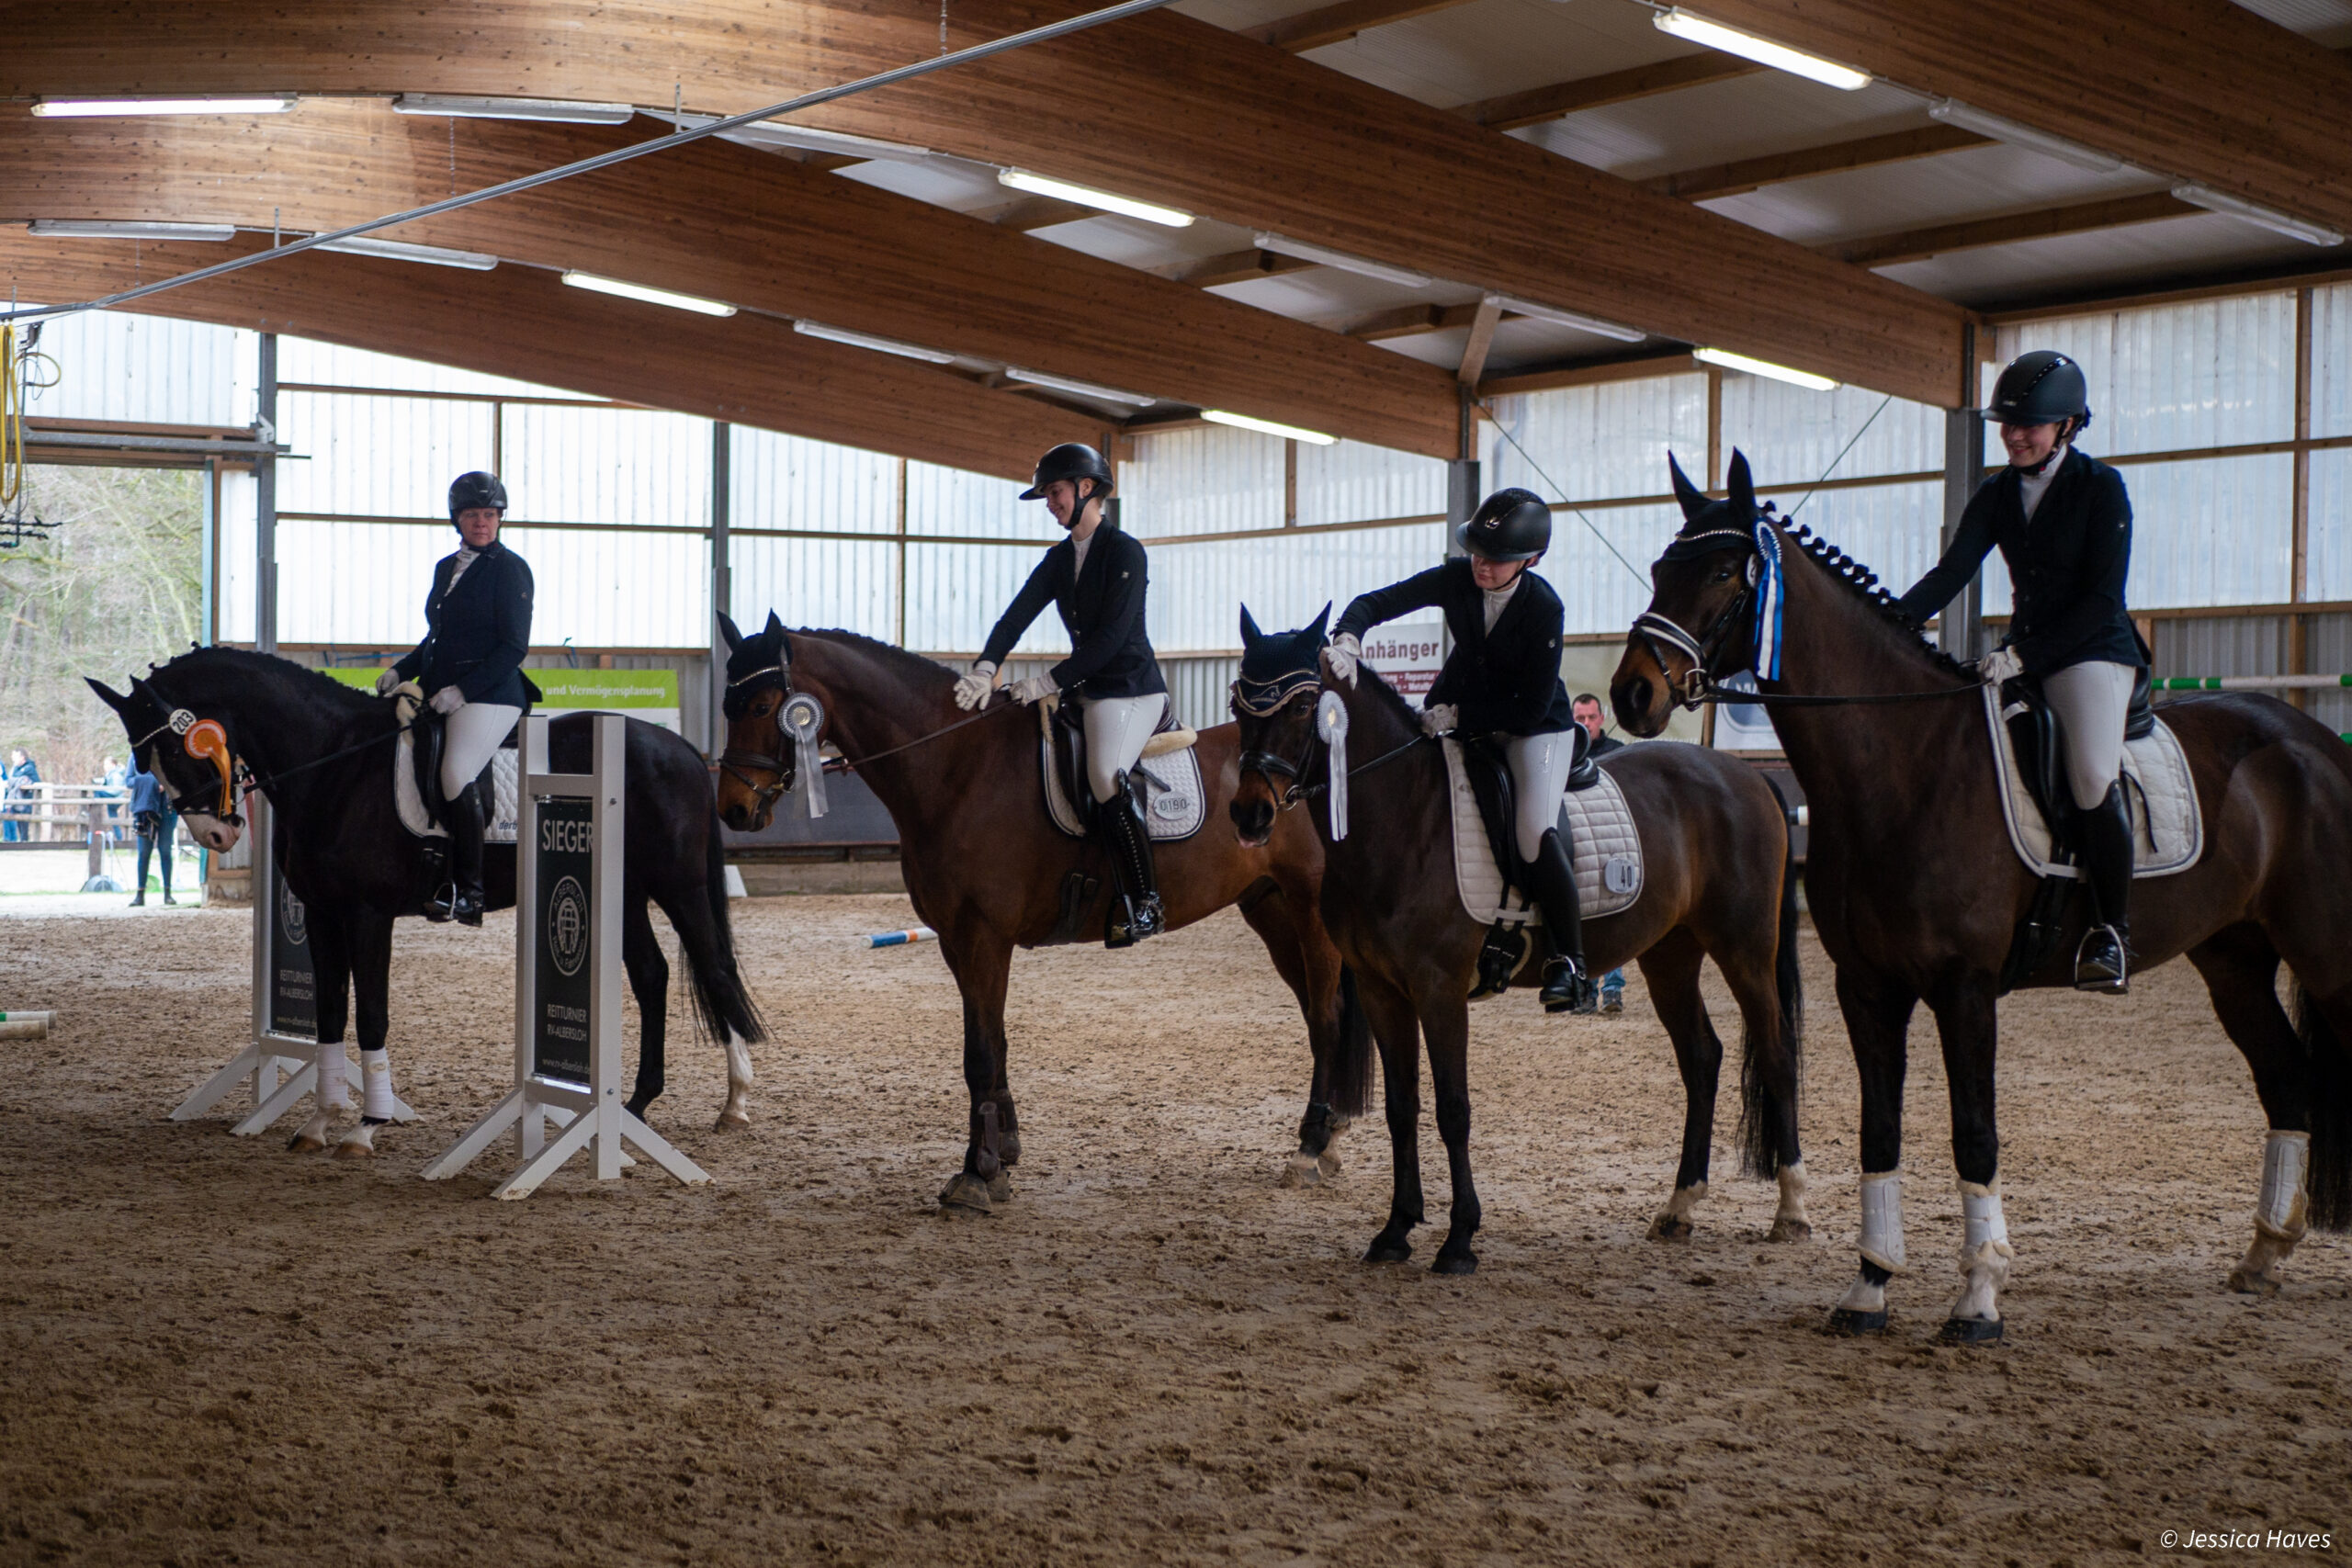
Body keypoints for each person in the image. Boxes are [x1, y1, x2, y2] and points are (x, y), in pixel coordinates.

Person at [1895, 350, 2143, 994]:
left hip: (2092, 652)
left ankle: (2111, 931)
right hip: (2022, 651)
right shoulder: (1997, 492)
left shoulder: (2101, 487)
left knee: (2091, 774)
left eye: (2029, 424)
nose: (2013, 435)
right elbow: (1952, 572)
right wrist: (1888, 622)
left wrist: (2026, 657)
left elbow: (2102, 600)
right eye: (2008, 424)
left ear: (2067, 425)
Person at [1329, 489, 1597, 1013]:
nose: (1481, 564)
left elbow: (1528, 707)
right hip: (1459, 710)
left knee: (1532, 830)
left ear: (1531, 560)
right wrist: (1348, 638)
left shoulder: (1545, 608)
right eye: (1476, 552)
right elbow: (1377, 603)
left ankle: (1570, 961)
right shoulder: (1458, 577)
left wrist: (1457, 717)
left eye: (1496, 558)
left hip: (1534, 729)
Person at [954, 443, 1168, 947]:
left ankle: (1147, 901)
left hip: (1129, 689)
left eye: (1055, 493)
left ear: (1085, 488)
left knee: (1105, 774)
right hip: (1086, 689)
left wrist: (1045, 682)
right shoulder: (1059, 559)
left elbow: (1110, 640)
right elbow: (1015, 617)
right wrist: (986, 669)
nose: (1050, 504)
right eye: (1048, 495)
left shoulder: (1125, 551)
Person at [379, 471, 537, 926]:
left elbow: (513, 647)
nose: (481, 522)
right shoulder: (445, 567)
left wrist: (464, 691)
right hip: (441, 691)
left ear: (500, 518)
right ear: (457, 519)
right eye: (472, 515)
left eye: (489, 514)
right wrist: (401, 670)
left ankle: (470, 891)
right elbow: (437, 638)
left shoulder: (510, 569)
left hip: (492, 694)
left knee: (456, 771)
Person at [1571, 694, 1626, 1012]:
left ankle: (1613, 990)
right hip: (1580, 845)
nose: (1587, 723)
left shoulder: (1619, 753)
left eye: (1591, 717)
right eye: (1580, 718)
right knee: (1584, 918)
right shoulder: (1565, 753)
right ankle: (1588, 991)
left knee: (1613, 918)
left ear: (1601, 719)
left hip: (1614, 845)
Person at [126, 756, 177, 906]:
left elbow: (177, 777)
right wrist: (152, 783)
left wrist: (165, 785)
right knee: (143, 852)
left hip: (167, 807)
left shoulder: (167, 753)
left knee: (165, 850)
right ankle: (140, 894)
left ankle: (168, 893)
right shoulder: (135, 756)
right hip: (145, 808)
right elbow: (128, 781)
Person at [3, 747, 39, 842]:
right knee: (19, 821)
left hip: (29, 800)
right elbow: (12, 779)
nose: (12, 758)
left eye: (15, 756)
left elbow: (13, 779)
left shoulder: (29, 768)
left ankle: (24, 841)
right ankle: (20, 841)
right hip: (20, 800)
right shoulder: (17, 768)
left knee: (24, 823)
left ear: (22, 757)